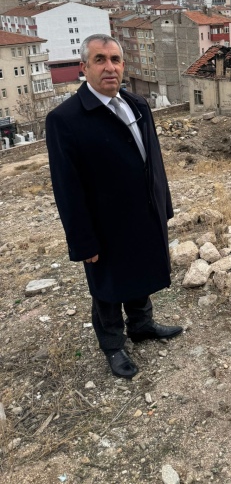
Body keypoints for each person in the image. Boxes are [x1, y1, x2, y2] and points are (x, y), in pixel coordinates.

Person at [46, 34, 183, 379]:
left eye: (115, 59)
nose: (109, 67)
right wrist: (83, 241)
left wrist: (163, 204)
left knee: (142, 269)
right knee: (107, 285)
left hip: (143, 211)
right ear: (84, 67)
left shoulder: (137, 105)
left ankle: (141, 324)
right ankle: (113, 345)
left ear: (123, 65)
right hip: (103, 222)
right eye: (100, 60)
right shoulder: (66, 119)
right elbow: (67, 187)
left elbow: (154, 161)